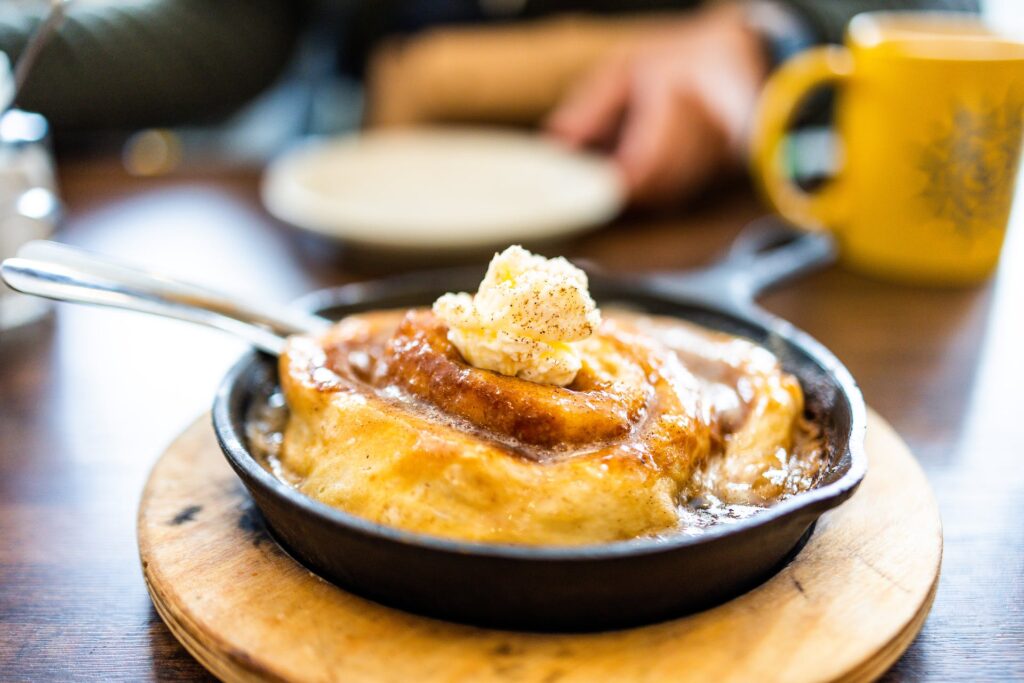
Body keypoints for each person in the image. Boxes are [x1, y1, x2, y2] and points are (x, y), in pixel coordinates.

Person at [0, 0, 978, 205]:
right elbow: (224, 34)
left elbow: (941, 21)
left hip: (712, 246)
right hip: (360, 255)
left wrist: (758, 34)